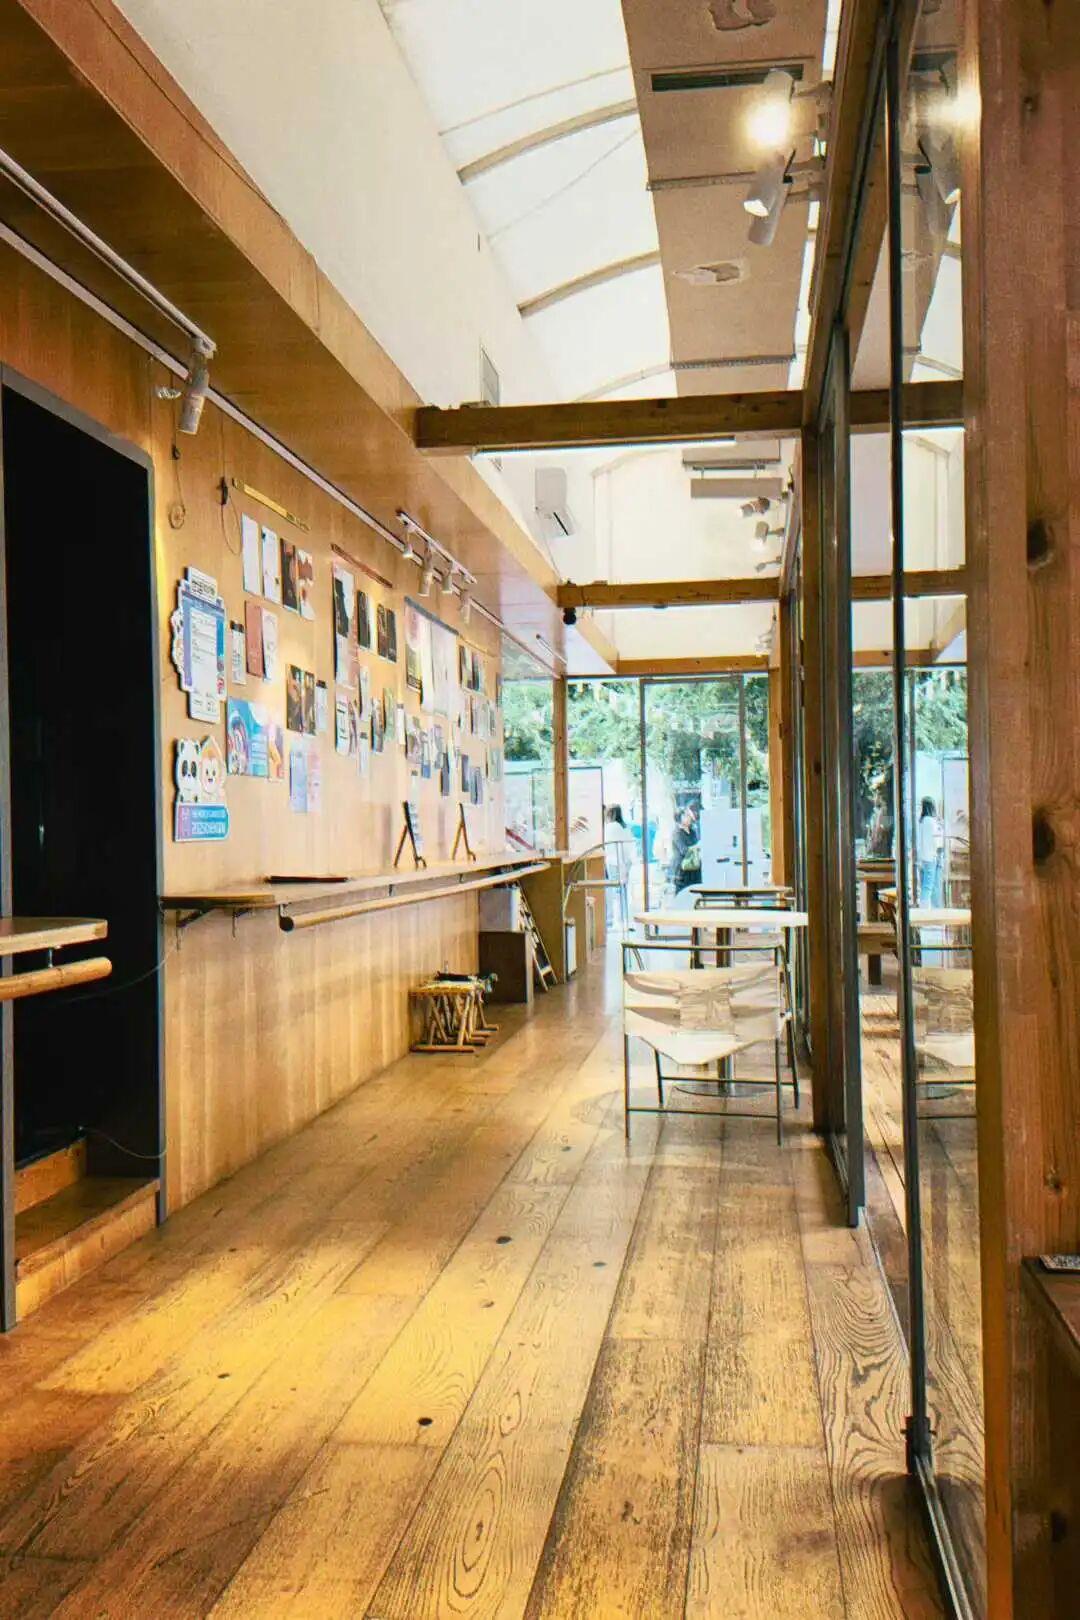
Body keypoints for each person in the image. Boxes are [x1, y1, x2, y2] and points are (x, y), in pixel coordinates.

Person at [669, 802, 701, 895]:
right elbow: (684, 850)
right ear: (679, 818)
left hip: (694, 870)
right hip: (682, 871)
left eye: (689, 815)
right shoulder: (677, 833)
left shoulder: (692, 832)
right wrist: (696, 847)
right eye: (686, 816)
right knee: (682, 895)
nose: (689, 817)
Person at [917, 796, 944, 907]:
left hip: (923, 857)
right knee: (929, 885)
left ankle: (929, 907)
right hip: (932, 856)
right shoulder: (932, 822)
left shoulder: (921, 821)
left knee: (926, 884)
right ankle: (925, 909)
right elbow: (937, 840)